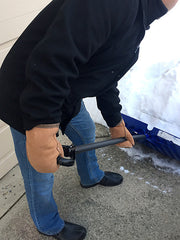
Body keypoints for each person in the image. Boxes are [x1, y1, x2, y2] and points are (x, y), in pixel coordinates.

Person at [0, 0, 178, 239]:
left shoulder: (138, 15)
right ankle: (47, 223)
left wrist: (115, 122)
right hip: (28, 96)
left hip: (64, 93)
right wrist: (41, 129)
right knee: (39, 173)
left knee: (84, 131)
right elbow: (52, 60)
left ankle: (91, 176)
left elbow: (106, 73)